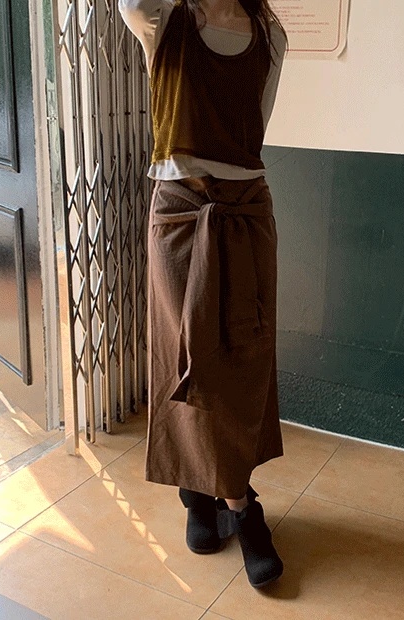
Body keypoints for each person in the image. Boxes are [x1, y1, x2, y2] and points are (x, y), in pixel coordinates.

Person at [119, 0, 288, 588]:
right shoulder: (158, 16)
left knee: (244, 357)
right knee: (186, 356)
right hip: (181, 212)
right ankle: (230, 503)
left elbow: (251, 134)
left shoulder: (269, 34)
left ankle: (214, 491)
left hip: (245, 213)